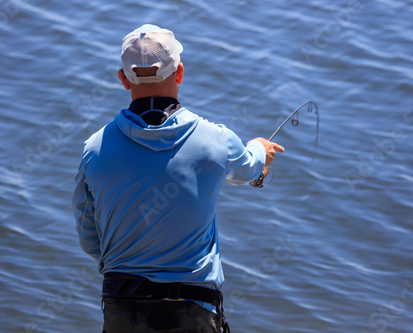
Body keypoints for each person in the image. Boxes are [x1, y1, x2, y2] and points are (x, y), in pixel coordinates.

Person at [72, 24, 284, 333]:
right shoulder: (216, 140)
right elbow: (248, 169)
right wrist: (259, 148)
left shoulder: (94, 149)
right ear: (180, 73)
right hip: (192, 310)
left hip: (120, 306)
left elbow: (90, 238)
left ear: (122, 79)